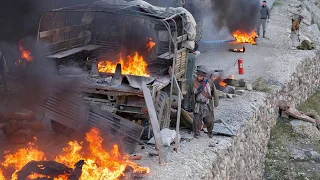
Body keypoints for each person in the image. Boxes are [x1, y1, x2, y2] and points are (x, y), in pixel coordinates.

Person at [189, 65, 219, 138]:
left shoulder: (209, 83)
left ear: (204, 76)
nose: (199, 77)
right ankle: (196, 133)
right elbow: (188, 93)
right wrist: (188, 104)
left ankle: (210, 132)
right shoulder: (193, 82)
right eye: (198, 75)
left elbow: (214, 93)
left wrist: (216, 103)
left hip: (207, 104)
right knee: (196, 120)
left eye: (201, 76)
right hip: (197, 104)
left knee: (210, 120)